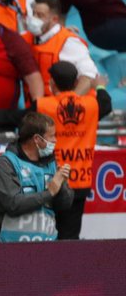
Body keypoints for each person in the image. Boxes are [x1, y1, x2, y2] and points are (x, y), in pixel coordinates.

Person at [35, 61, 109, 239]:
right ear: (76, 83)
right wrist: (99, 86)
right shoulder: (92, 105)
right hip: (79, 181)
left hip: (51, 180)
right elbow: (106, 104)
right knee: (70, 237)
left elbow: (8, 118)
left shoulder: (43, 106)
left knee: (43, 234)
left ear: (52, 83)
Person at [0, 112, 73, 242]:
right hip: (8, 249)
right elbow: (13, 204)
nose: (55, 140)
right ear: (37, 139)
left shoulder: (51, 163)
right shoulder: (5, 163)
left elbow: (65, 205)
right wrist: (49, 192)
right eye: (51, 136)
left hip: (47, 247)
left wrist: (62, 187)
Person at [27, 0, 98, 98]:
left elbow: (89, 76)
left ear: (54, 19)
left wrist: (69, 104)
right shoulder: (27, 38)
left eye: (40, 15)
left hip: (66, 108)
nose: (34, 19)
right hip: (39, 107)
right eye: (33, 14)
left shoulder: (69, 42)